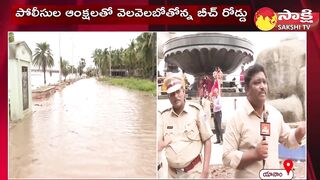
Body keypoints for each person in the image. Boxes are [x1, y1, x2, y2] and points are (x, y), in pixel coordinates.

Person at [222, 64, 306, 178]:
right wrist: (254, 154)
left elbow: (287, 140)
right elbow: (227, 156)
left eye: (264, 82)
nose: (262, 86)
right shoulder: (237, 118)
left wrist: (298, 133)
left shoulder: (275, 114)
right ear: (247, 88)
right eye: (257, 83)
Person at [158, 76, 213, 178]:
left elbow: (207, 141)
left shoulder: (196, 111)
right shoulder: (163, 116)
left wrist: (205, 171)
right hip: (172, 175)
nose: (176, 96)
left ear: (184, 92)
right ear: (168, 97)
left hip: (194, 173)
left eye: (178, 91)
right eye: (172, 94)